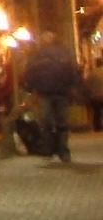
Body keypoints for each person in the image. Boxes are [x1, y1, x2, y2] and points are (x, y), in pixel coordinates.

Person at [23, 29, 80, 163]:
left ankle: (62, 150)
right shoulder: (38, 54)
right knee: (46, 121)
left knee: (61, 122)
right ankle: (51, 148)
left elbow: (72, 70)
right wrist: (31, 87)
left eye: (49, 35)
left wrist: (73, 86)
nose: (47, 38)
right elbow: (30, 71)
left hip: (60, 92)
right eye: (45, 35)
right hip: (46, 92)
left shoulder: (60, 52)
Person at [84, 62, 103, 134]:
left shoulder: (92, 73)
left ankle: (97, 127)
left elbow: (87, 85)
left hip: (95, 97)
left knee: (96, 112)